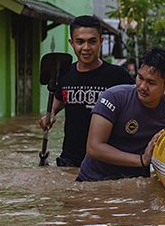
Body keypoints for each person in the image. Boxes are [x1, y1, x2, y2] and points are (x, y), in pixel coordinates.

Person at [77, 47, 165, 182]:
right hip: (93, 182)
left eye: (151, 82)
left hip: (135, 184)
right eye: (140, 77)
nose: (142, 86)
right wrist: (141, 160)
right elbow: (94, 147)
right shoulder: (113, 97)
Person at [38, 15, 134, 167]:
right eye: (80, 41)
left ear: (101, 41)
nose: (86, 48)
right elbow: (61, 98)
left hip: (106, 162)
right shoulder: (64, 74)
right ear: (71, 43)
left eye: (92, 41)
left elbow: (136, 107)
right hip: (69, 160)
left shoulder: (118, 76)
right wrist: (50, 114)